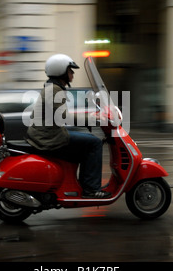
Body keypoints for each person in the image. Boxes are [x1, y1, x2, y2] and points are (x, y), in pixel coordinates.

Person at [26, 54, 111, 199]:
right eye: (70, 71)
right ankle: (91, 189)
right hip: (48, 138)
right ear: (61, 71)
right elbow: (63, 116)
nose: (72, 74)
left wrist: (90, 116)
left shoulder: (54, 88)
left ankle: (84, 183)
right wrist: (92, 118)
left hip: (48, 133)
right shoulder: (53, 90)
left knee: (88, 140)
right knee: (94, 143)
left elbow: (61, 114)